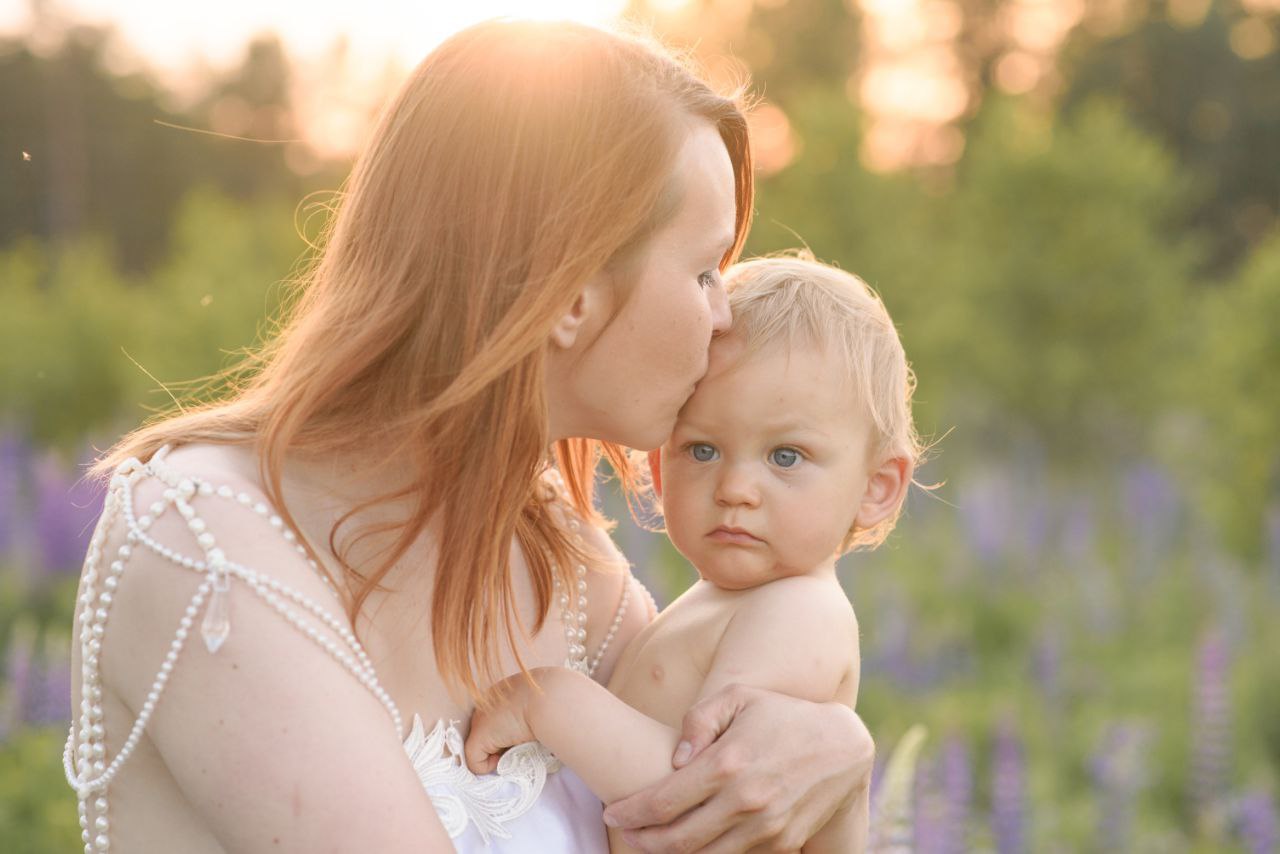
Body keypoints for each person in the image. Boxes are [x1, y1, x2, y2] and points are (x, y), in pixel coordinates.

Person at [64, 19, 875, 854]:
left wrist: (837, 770)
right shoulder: (208, 537)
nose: (722, 315)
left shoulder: (560, 566)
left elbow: (713, 821)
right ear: (570, 293)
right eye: (704, 270)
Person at [463, 254, 921, 853]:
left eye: (786, 456)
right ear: (658, 465)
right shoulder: (728, 602)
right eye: (702, 450)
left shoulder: (800, 615)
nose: (734, 488)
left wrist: (551, 702)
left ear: (876, 487)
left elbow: (704, 796)